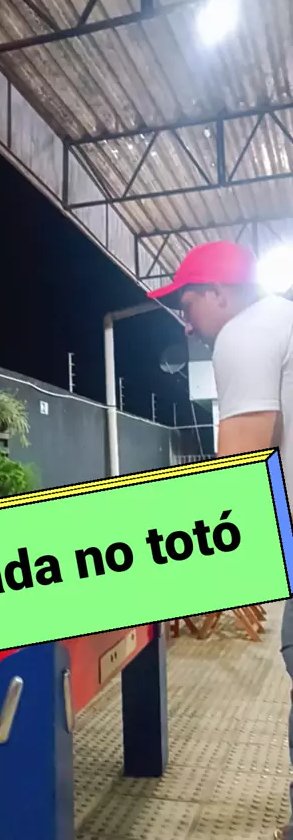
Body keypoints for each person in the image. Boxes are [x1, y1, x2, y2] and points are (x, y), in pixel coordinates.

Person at [146, 240, 293, 840]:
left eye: (188, 305)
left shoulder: (245, 331)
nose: (186, 322)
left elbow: (241, 469)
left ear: (218, 293)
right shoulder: (283, 320)